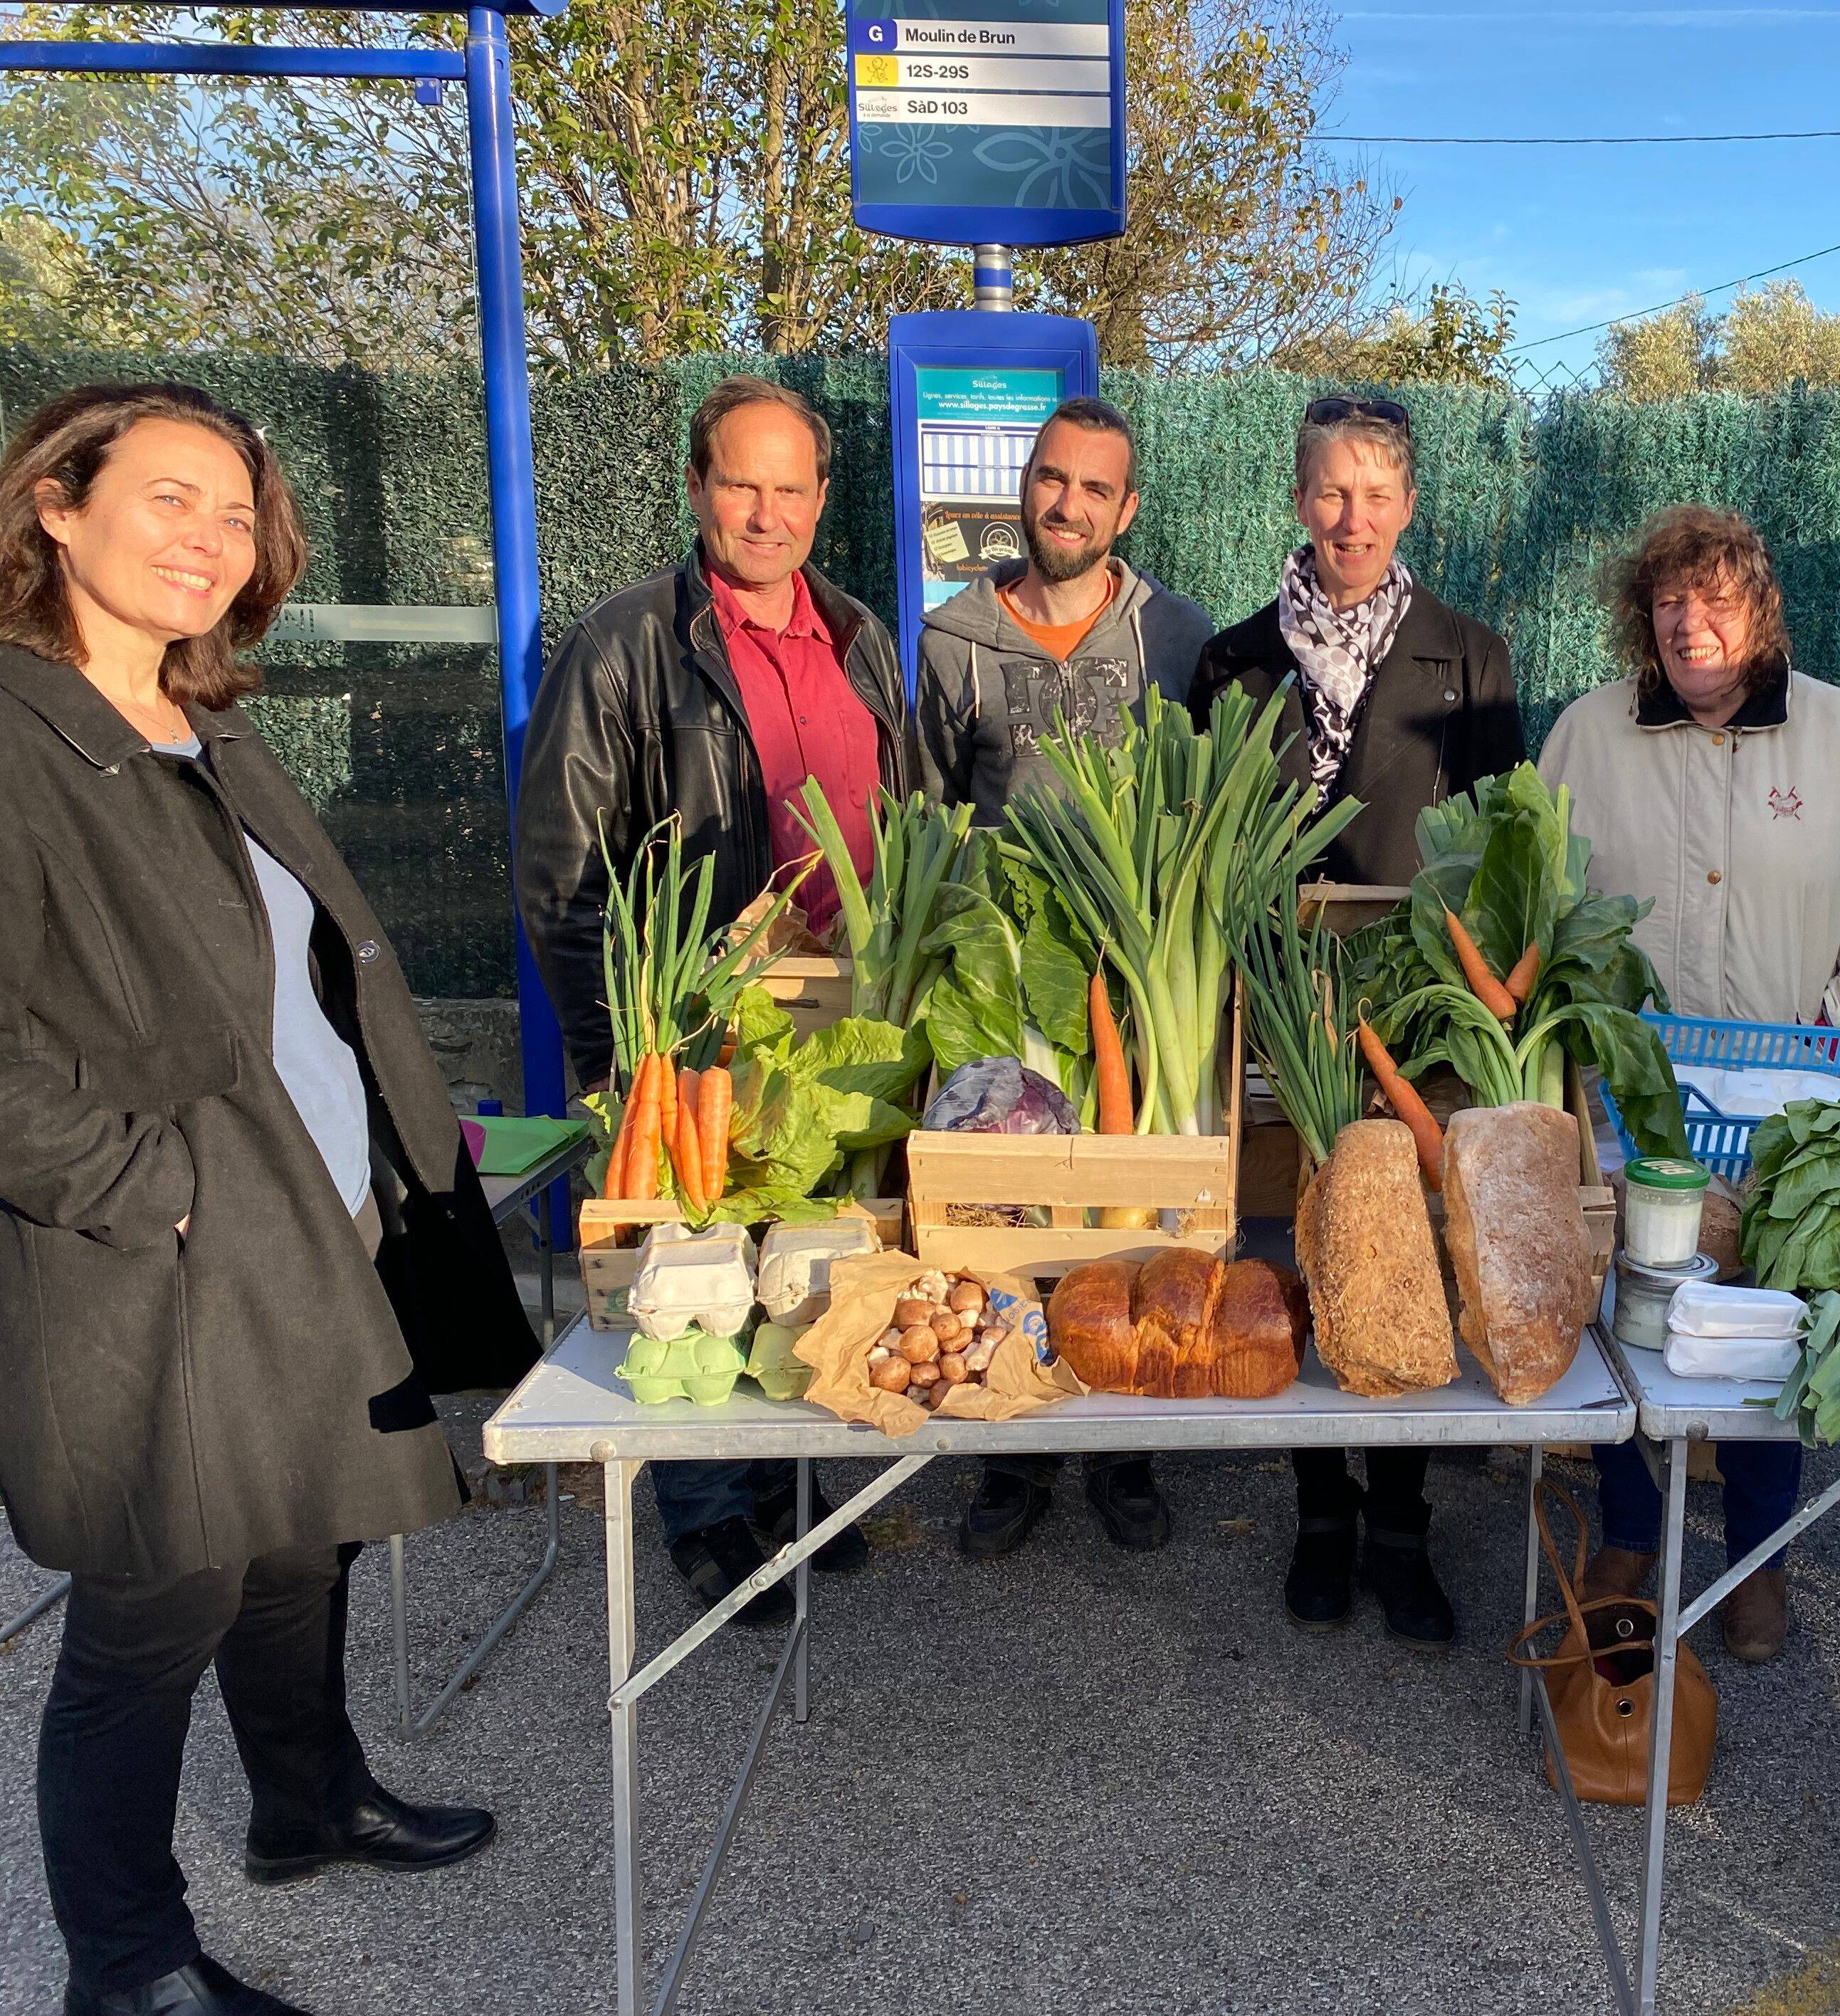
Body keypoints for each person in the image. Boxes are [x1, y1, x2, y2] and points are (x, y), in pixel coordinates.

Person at [0, 384, 539, 2016]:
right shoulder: (20, 738)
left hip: (314, 1229)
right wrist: (146, 1187)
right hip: (164, 1256)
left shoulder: (201, 718)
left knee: (306, 1548)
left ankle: (308, 1803)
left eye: (235, 516)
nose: (210, 542)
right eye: (169, 500)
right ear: (54, 507)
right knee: (156, 1611)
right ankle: (129, 1964)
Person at [516, 374, 905, 1622]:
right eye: (741, 482)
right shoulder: (627, 642)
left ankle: (791, 1484)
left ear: (822, 499)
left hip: (837, 1018)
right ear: (697, 487)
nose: (765, 511)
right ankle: (703, 1512)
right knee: (695, 1267)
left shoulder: (858, 633)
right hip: (690, 1022)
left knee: (807, 1262)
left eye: (791, 488)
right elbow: (563, 869)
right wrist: (624, 1056)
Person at [1540, 504, 1840, 1664]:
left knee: (1771, 1317)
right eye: (1668, 602)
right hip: (1626, 1090)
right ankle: (1627, 1534)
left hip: (1788, 1096)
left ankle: (1758, 1557)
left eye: (1714, 601)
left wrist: (1831, 1034)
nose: (1689, 623)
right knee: (1627, 1309)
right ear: (1641, 618)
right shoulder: (1587, 737)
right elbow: (1542, 900)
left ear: (1760, 613)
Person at [1192, 394, 1524, 1647]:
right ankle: (1317, 1509)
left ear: (1408, 509)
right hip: (1278, 1000)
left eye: (1377, 496)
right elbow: (1204, 841)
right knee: (1295, 1242)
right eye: (1332, 493)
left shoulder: (1469, 654)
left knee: (1408, 1252)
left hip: (1414, 1005)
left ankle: (1402, 1522)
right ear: (1298, 501)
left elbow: (1499, 844)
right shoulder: (1235, 661)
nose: (1354, 519)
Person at [913, 394, 1214, 1558]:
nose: (1068, 504)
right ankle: (1013, 1451)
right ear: (1023, 490)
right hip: (999, 969)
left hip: (1128, 978)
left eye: (1095, 487)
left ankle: (1124, 1443)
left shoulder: (1176, 640)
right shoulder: (951, 640)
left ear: (1125, 508)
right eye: (1052, 479)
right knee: (1011, 1215)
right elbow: (927, 812)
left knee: (1122, 1212)